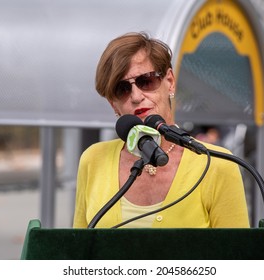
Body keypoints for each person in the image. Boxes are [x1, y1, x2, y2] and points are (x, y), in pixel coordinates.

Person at [73, 32, 250, 229]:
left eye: (146, 80)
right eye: (122, 88)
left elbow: (237, 257)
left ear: (170, 81)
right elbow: (79, 250)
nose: (136, 96)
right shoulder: (93, 159)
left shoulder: (218, 164)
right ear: (113, 104)